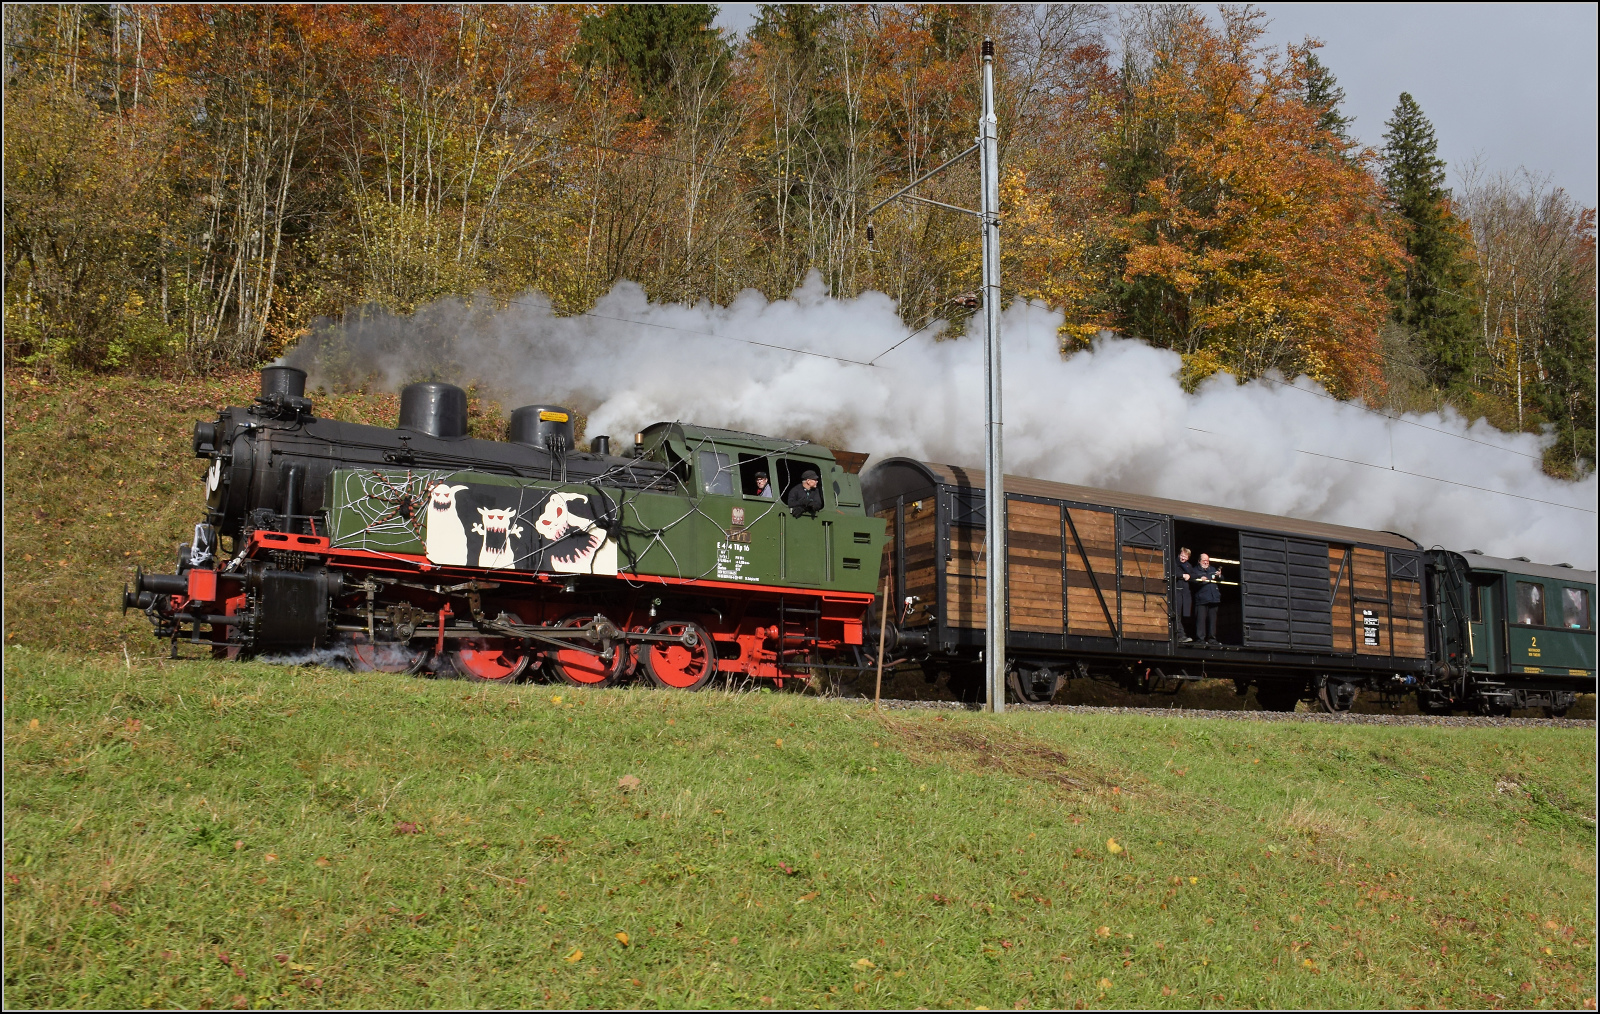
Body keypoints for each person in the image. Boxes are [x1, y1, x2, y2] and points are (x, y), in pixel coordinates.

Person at [1192, 552, 1223, 646]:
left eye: (1207, 560)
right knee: (1201, 620)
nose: (1206, 562)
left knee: (1212, 621)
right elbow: (1192, 582)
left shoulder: (1213, 569)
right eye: (1204, 560)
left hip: (1214, 599)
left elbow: (1221, 579)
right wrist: (1200, 579)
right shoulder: (1195, 570)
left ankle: (1212, 639)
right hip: (1202, 599)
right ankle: (1200, 639)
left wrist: (1219, 576)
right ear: (1199, 561)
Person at [1174, 547, 1195, 643]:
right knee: (1177, 614)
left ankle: (1181, 634)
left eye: (1185, 557)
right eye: (1182, 555)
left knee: (1183, 614)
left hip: (1185, 593)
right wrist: (1182, 575)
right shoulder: (1174, 563)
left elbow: (1195, 575)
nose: (1183, 558)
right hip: (1177, 591)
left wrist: (1189, 576)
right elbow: (1172, 572)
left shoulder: (1188, 566)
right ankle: (1180, 635)